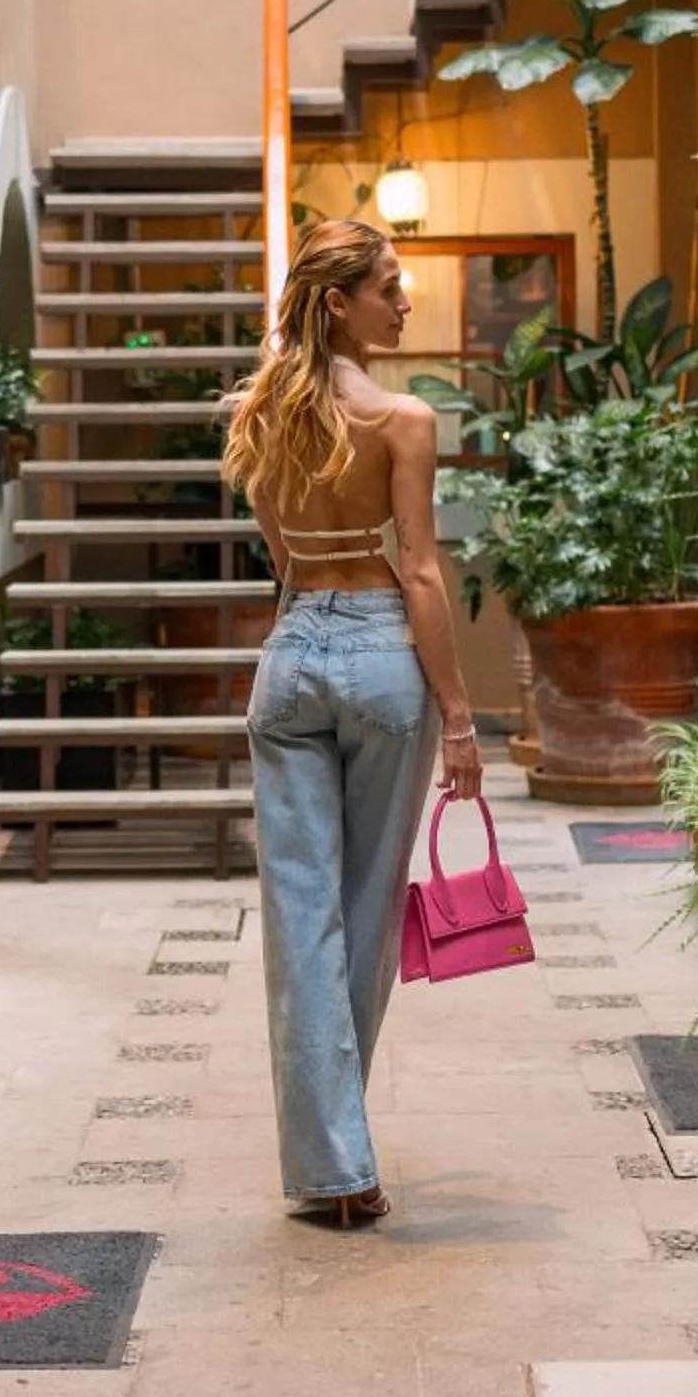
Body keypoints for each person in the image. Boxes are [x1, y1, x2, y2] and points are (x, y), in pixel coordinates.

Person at [223, 218, 483, 1228]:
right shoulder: (403, 421)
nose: (404, 303)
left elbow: (280, 555)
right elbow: (419, 570)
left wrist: (315, 619)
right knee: (365, 911)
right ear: (339, 301)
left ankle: (333, 1162)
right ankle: (338, 1165)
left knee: (299, 923)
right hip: (381, 657)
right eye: (388, 287)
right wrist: (461, 719)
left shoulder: (256, 411)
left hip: (290, 657)